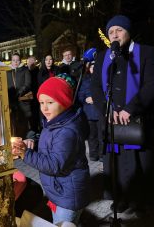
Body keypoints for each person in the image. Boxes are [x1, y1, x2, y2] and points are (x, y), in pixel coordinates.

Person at [90, 15, 154, 214]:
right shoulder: (103, 56)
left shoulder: (145, 52)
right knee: (116, 160)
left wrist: (131, 109)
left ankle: (140, 199)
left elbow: (152, 84)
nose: (114, 35)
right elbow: (95, 87)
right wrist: (106, 109)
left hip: (136, 118)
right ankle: (119, 197)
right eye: (111, 32)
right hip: (111, 119)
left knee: (139, 160)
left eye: (119, 30)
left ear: (129, 32)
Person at [12, 74, 90, 225]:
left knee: (63, 223)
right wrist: (33, 142)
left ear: (64, 102)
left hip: (67, 197)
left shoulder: (67, 131)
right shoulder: (55, 120)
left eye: (50, 102)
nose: (44, 108)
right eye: (41, 102)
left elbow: (54, 165)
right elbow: (50, 140)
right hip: (61, 191)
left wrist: (25, 153)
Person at [78, 61, 102, 161]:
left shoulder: (102, 79)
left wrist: (95, 98)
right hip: (89, 112)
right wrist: (85, 99)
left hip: (101, 111)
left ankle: (102, 155)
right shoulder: (85, 80)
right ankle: (93, 154)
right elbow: (80, 95)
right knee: (92, 135)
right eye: (92, 67)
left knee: (101, 135)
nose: (94, 69)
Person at [7, 53, 32, 138]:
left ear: (20, 61)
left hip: (22, 101)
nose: (15, 62)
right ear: (11, 61)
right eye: (14, 60)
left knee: (24, 122)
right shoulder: (7, 71)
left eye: (17, 60)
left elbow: (28, 84)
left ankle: (25, 141)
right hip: (11, 101)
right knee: (13, 123)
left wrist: (19, 92)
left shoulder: (25, 70)